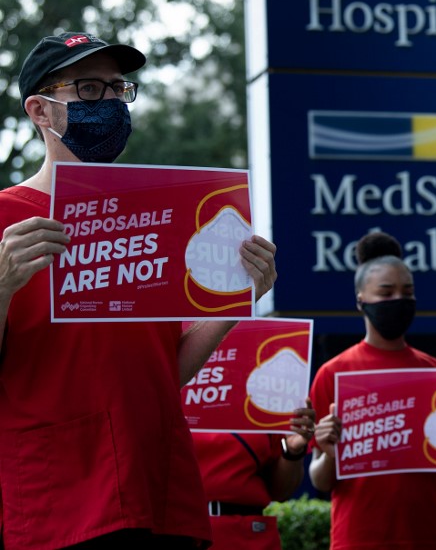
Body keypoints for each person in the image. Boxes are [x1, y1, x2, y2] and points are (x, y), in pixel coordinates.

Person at [0, 32, 278, 549]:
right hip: (59, 500)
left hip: (160, 491)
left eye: (117, 88)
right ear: (40, 111)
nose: (109, 102)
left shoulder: (157, 217)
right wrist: (2, 287)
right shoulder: (5, 221)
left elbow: (162, 373)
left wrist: (236, 302)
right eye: (89, 89)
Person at [308, 231, 436, 550]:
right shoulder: (334, 374)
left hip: (427, 536)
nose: (399, 300)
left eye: (407, 292)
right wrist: (329, 452)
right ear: (361, 300)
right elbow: (320, 480)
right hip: (358, 538)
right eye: (386, 292)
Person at [191, 398, 317, 549]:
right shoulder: (172, 390)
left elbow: (281, 492)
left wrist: (292, 452)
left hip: (248, 536)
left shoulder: (266, 394)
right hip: (182, 531)